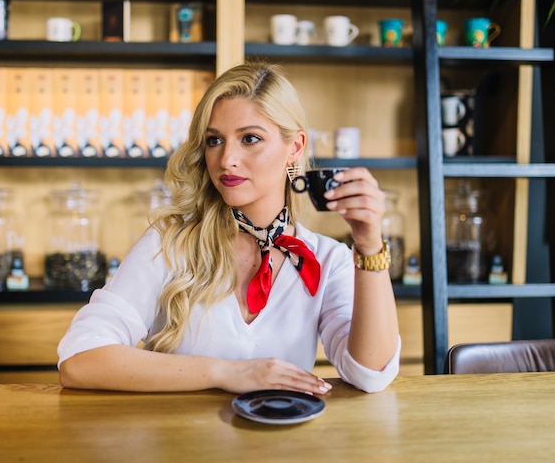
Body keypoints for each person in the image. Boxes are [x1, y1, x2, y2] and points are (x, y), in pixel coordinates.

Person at [57, 62, 401, 394]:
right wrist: (224, 372)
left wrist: (370, 246)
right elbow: (79, 359)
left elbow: (370, 375)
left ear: (294, 147)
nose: (226, 160)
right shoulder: (168, 244)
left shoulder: (330, 259)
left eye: (250, 139)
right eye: (214, 140)